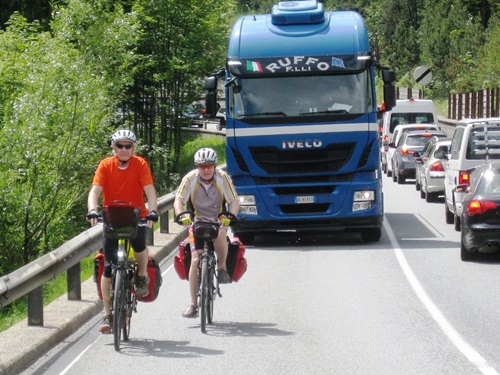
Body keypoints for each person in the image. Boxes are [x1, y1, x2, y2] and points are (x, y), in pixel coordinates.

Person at [86, 129, 159, 333]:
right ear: (113, 147)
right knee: (108, 267)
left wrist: (152, 211)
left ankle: (142, 275)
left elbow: (150, 190)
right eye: (120, 146)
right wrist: (92, 209)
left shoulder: (140, 164)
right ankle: (107, 315)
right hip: (112, 216)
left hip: (136, 215)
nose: (124, 150)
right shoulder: (105, 165)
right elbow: (95, 191)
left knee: (139, 245)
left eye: (128, 146)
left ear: (133, 148)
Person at [174, 147, 240, 318]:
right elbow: (179, 200)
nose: (205, 170)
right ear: (197, 166)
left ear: (214, 166)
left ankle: (222, 266)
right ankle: (193, 304)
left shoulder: (222, 178)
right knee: (195, 259)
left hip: (217, 219)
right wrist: (181, 214)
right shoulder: (190, 179)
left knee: (220, 235)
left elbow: (234, 200)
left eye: (209, 166)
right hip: (196, 221)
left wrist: (229, 216)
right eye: (202, 166)